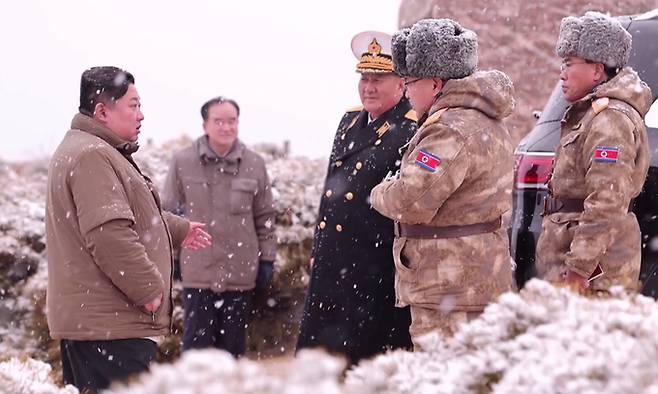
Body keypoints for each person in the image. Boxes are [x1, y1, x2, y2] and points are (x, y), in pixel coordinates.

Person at [45, 66, 211, 393]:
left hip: (101, 328)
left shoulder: (92, 150)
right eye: (133, 105)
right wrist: (148, 291)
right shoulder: (92, 155)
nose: (141, 115)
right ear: (102, 111)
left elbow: (130, 214)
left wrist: (178, 229)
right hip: (111, 329)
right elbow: (109, 233)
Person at [369, 19, 515, 345]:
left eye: (411, 82)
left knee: (443, 374)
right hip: (475, 276)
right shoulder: (485, 118)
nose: (406, 92)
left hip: (448, 284)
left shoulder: (448, 127)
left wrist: (379, 193)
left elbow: (411, 201)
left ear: (435, 83)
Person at [296, 31, 416, 364]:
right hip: (334, 261)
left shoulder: (410, 127)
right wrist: (318, 249)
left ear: (401, 83)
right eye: (364, 78)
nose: (369, 87)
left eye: (378, 79)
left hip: (372, 264)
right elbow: (330, 192)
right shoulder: (349, 121)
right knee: (320, 356)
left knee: (363, 355)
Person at [536, 12, 652, 293]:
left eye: (568, 64)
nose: (561, 74)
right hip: (576, 260)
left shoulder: (609, 120)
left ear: (597, 70)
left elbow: (606, 200)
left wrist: (580, 267)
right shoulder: (591, 115)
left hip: (593, 273)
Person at [162, 96, 276, 357]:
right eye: (219, 121)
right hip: (198, 272)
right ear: (205, 125)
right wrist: (173, 258)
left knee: (232, 353)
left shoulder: (254, 163)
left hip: (240, 274)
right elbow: (167, 214)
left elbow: (265, 217)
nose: (226, 127)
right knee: (197, 353)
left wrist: (267, 259)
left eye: (232, 121)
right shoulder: (183, 161)